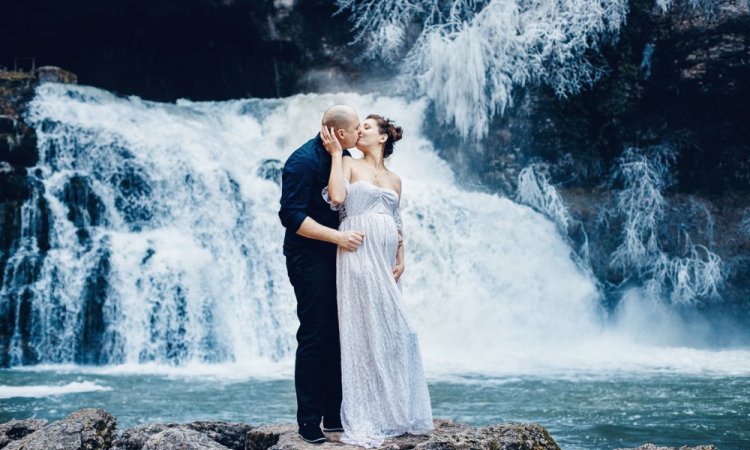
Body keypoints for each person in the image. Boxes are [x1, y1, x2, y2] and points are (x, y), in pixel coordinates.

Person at [320, 114, 434, 448]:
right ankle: (366, 414)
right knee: (363, 329)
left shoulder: (395, 179)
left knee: (396, 331)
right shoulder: (348, 163)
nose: (360, 131)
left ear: (383, 138)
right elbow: (337, 199)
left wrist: (402, 257)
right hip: (356, 252)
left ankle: (393, 411)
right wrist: (334, 155)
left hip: (385, 261)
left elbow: (397, 222)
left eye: (367, 127)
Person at [278, 105, 366, 444]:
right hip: (309, 256)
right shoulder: (302, 162)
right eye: (357, 128)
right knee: (315, 334)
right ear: (339, 132)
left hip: (341, 255)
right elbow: (292, 216)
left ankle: (335, 413)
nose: (361, 132)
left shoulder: (340, 155)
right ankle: (309, 421)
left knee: (339, 332)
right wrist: (338, 238)